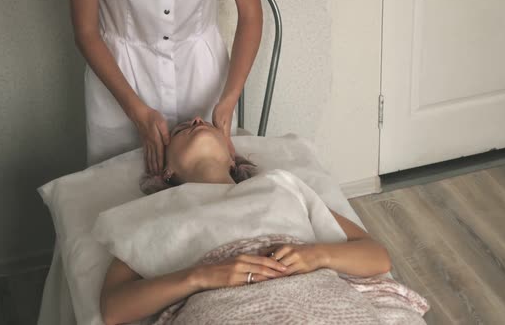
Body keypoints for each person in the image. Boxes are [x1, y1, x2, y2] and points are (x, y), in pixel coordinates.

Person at [99, 117, 392, 325]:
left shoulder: (281, 185)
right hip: (220, 308)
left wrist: (318, 254)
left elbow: (377, 257)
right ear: (166, 171)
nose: (198, 120)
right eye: (181, 129)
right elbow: (114, 308)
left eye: (206, 124)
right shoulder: (156, 213)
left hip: (317, 299)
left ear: (231, 157)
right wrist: (201, 276)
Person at [69, 0, 263, 171]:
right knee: (117, 193)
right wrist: (136, 112)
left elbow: (250, 16)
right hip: (118, 82)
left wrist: (229, 100)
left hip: (203, 80)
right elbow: (86, 32)